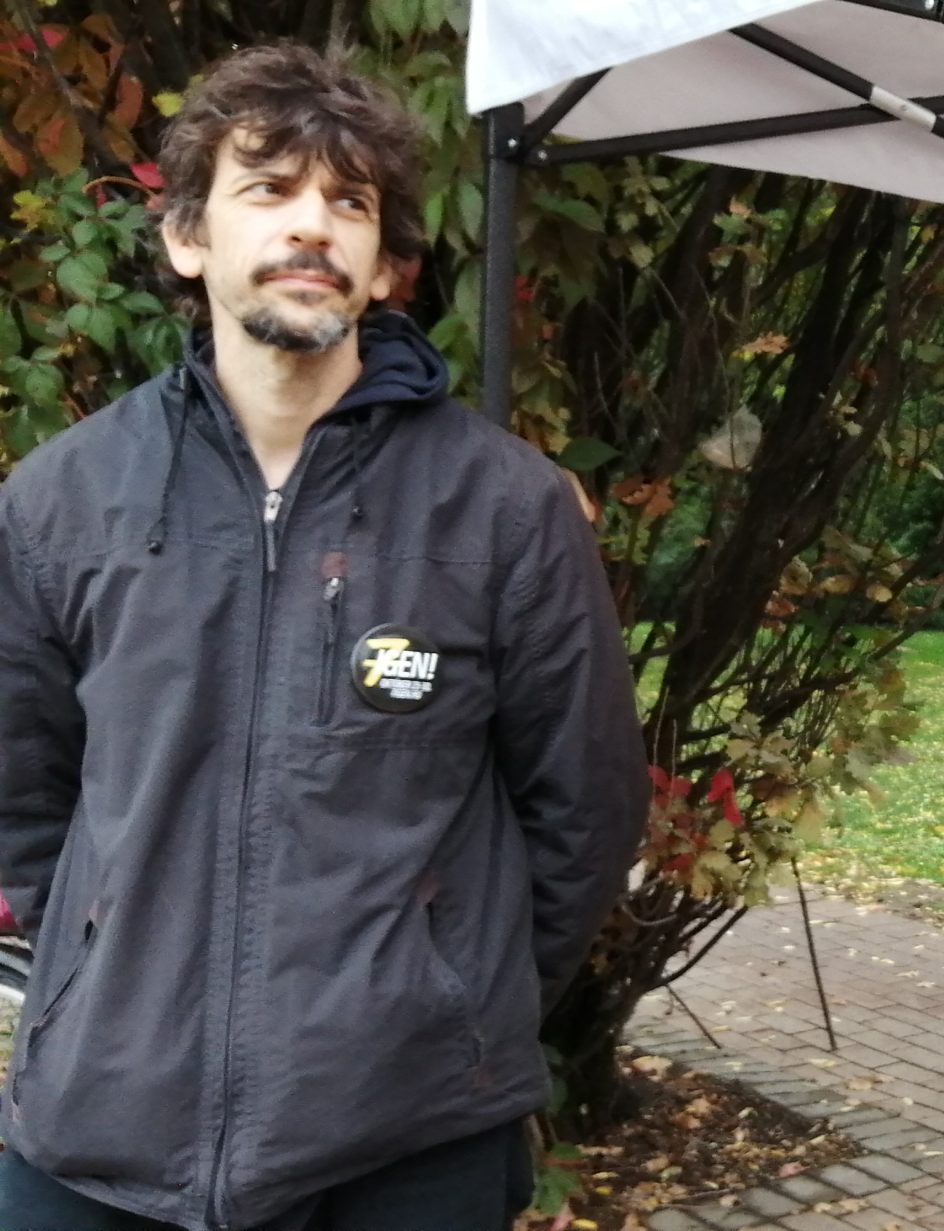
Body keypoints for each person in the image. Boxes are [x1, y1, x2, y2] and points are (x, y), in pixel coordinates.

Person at [0, 43, 648, 1231]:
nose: (313, 224)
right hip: (102, 1130)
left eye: (350, 202)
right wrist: (101, 966)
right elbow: (20, 788)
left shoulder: (504, 508)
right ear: (186, 238)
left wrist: (452, 997)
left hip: (409, 1140)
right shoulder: (62, 499)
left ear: (388, 267)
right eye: (269, 188)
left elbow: (586, 808)